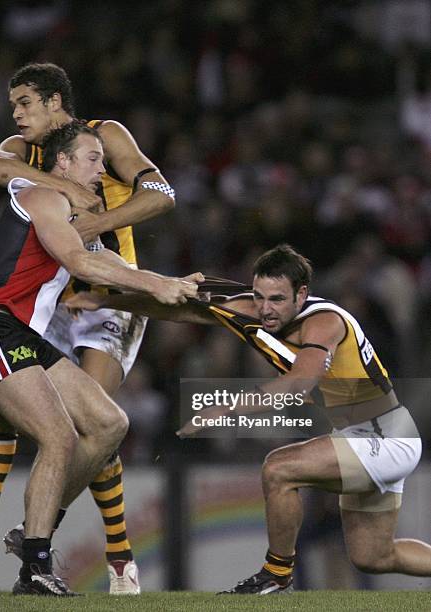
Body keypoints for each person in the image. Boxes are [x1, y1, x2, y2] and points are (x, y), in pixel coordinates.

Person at [0, 122, 198, 596]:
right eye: (93, 158)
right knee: (58, 436)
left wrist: (169, 283)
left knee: (110, 422)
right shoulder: (42, 197)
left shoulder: (66, 212)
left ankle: (26, 534)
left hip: (21, 333)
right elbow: (81, 264)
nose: (102, 167)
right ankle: (34, 567)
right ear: (64, 163)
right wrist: (159, 284)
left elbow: (107, 266)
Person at [67, 244, 431, 595]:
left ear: (301, 295)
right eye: (259, 296)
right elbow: (178, 307)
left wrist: (223, 410)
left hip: (385, 436)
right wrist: (104, 301)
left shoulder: (325, 322)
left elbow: (299, 383)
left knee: (279, 468)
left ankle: (276, 575)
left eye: (277, 300)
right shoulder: (250, 309)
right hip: (368, 434)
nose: (266, 309)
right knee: (375, 556)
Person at [0, 62, 177, 594]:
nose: (15, 113)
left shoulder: (104, 135)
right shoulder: (25, 151)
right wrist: (58, 185)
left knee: (96, 422)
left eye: (23, 102)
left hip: (115, 295)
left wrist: (96, 221)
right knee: (45, 421)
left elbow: (163, 194)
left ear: (53, 100)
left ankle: (103, 553)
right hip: (60, 301)